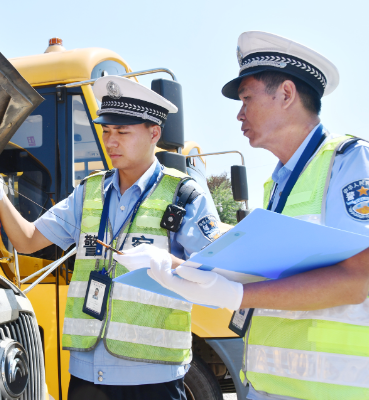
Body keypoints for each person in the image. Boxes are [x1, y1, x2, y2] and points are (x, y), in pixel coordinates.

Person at [0, 75, 222, 400]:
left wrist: (168, 264)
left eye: (122, 132)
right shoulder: (88, 193)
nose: (111, 142)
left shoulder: (184, 196)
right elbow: (26, 241)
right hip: (86, 375)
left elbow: (215, 281)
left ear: (154, 134)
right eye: (106, 131)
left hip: (152, 378)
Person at [148, 31, 369, 400]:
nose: (239, 113)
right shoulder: (278, 183)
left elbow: (359, 279)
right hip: (269, 388)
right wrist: (181, 267)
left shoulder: (349, 164)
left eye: (246, 98)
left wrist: (237, 294)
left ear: (285, 94)